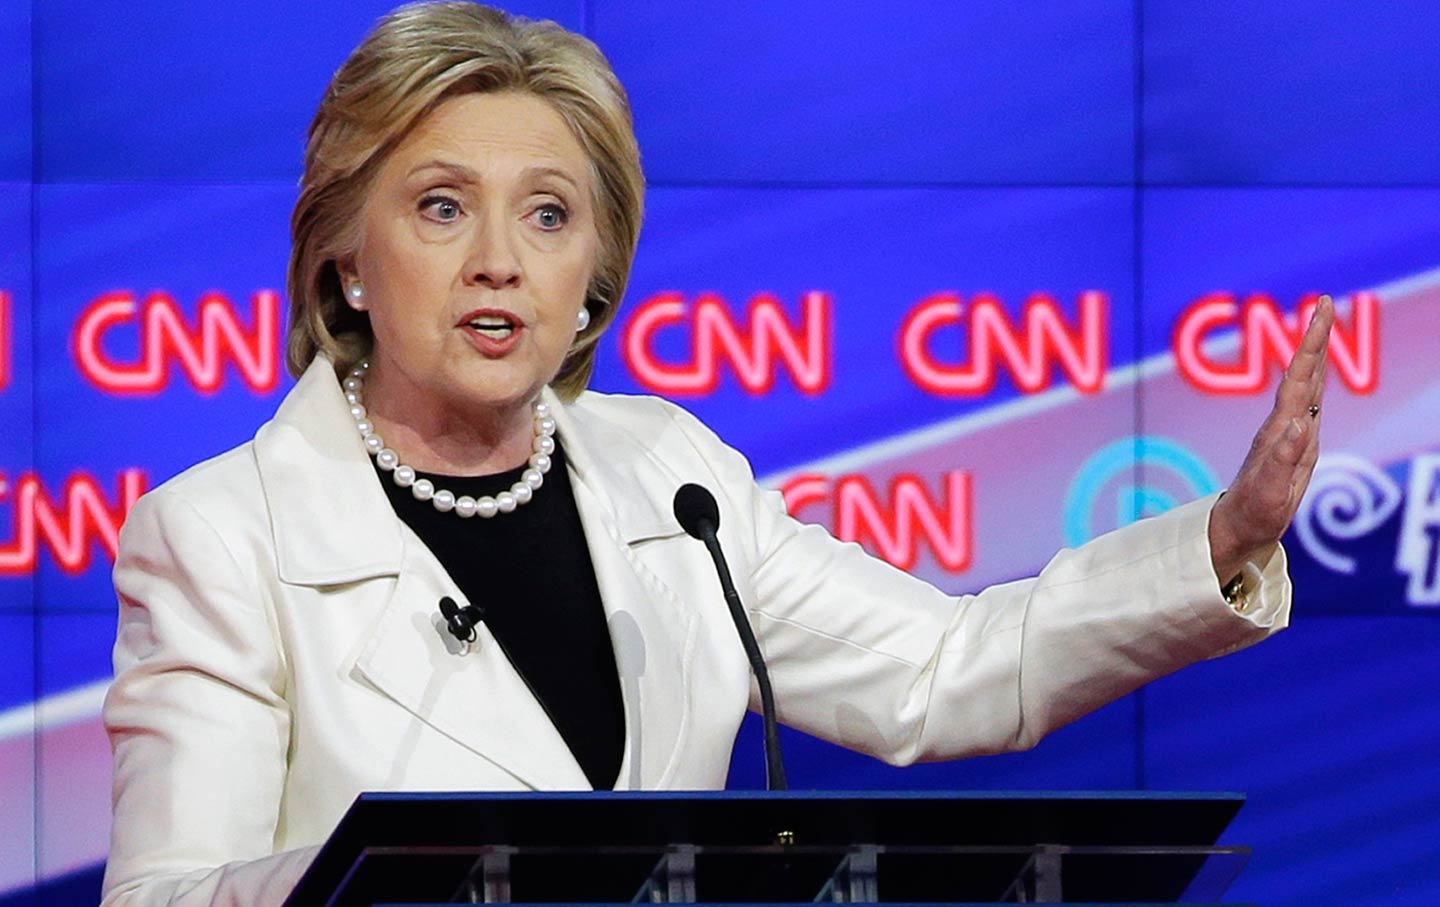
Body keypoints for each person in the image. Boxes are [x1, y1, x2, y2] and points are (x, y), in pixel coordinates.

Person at [100, 3, 1334, 906]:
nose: (499, 261)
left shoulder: (671, 476)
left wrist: (1222, 544)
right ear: (347, 259)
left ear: (595, 276)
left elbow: (949, 669)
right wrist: (392, 880)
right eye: (440, 206)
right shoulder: (225, 534)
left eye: (548, 214)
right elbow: (163, 896)